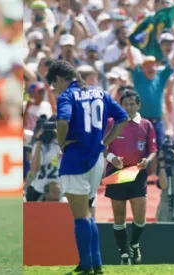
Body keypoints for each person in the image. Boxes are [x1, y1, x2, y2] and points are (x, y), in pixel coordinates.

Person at [47, 60, 128, 274]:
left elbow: (63, 121)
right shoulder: (99, 93)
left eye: (54, 85)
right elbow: (122, 117)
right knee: (87, 213)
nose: (55, 90)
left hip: (76, 159)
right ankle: (96, 264)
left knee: (80, 215)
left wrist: (63, 143)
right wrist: (105, 142)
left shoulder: (67, 96)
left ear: (61, 79)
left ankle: (86, 265)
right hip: (96, 160)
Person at [104, 90, 157, 265]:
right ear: (121, 105)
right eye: (126, 104)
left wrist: (146, 161)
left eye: (132, 104)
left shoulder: (146, 124)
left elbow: (152, 150)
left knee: (140, 216)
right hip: (116, 173)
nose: (129, 107)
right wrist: (112, 158)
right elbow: (101, 146)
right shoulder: (112, 122)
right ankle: (124, 254)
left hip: (137, 173)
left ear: (138, 105)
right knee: (119, 216)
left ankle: (134, 244)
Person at [26, 121, 61, 202]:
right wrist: (38, 143)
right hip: (40, 187)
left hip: (52, 187)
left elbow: (54, 163)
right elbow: (35, 169)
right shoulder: (40, 146)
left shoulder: (57, 147)